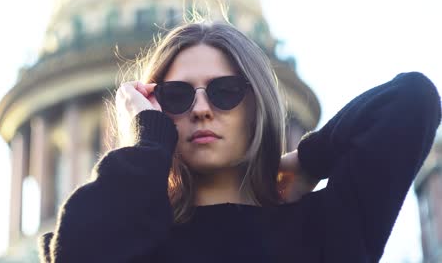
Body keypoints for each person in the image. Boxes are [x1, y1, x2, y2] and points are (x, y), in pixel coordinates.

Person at [38, 16, 441, 263]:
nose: (201, 109)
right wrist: (149, 145)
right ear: (156, 114)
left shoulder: (323, 230)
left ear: (256, 105)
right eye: (177, 96)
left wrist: (306, 162)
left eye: (225, 91)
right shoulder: (133, 243)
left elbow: (412, 100)